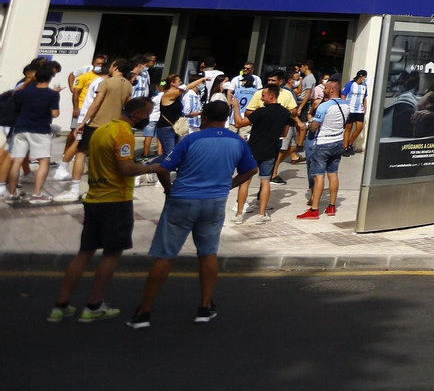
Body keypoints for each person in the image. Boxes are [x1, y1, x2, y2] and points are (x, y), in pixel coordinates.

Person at [128, 100, 257, 328]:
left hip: (183, 200)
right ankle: (205, 307)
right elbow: (251, 170)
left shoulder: (191, 139)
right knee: (208, 254)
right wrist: (228, 185)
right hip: (214, 202)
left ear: (204, 117)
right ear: (226, 117)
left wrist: (169, 191)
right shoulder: (237, 141)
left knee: (165, 255)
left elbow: (163, 168)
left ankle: (144, 312)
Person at [50, 96, 167, 324]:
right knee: (112, 254)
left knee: (84, 253)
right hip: (116, 200)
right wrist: (152, 167)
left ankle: (61, 305)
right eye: (149, 113)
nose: (149, 118)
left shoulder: (103, 129)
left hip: (94, 197)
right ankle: (94, 306)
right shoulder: (124, 133)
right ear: (138, 114)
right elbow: (125, 168)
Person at [235, 84, 299, 223]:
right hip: (271, 150)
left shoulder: (261, 112)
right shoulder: (285, 113)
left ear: (271, 95)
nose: (261, 98)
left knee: (245, 181)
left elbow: (239, 123)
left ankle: (239, 214)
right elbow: (284, 133)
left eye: (263, 96)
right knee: (265, 181)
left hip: (253, 149)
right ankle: (261, 214)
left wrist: (235, 107)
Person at [7, 61, 61, 204]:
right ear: (50, 78)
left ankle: (12, 193)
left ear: (36, 77)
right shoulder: (52, 94)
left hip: (21, 128)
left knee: (17, 160)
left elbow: (15, 93)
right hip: (40, 130)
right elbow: (55, 114)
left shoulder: (25, 92)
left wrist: (27, 82)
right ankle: (37, 194)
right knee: (44, 160)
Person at [297, 75, 348, 218]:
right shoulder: (345, 105)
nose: (323, 90)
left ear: (332, 89)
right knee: (333, 174)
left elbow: (314, 126)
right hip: (338, 141)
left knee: (319, 176)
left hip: (323, 143)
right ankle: (332, 206)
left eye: (325, 88)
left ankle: (314, 209)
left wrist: (308, 124)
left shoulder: (324, 106)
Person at [341, 70, 368, 156]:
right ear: (361, 76)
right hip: (350, 109)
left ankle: (350, 144)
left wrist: (365, 107)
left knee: (360, 127)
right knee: (348, 127)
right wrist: (344, 105)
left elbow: (364, 97)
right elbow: (343, 94)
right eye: (364, 77)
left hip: (359, 109)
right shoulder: (350, 84)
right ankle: (345, 147)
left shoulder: (364, 86)